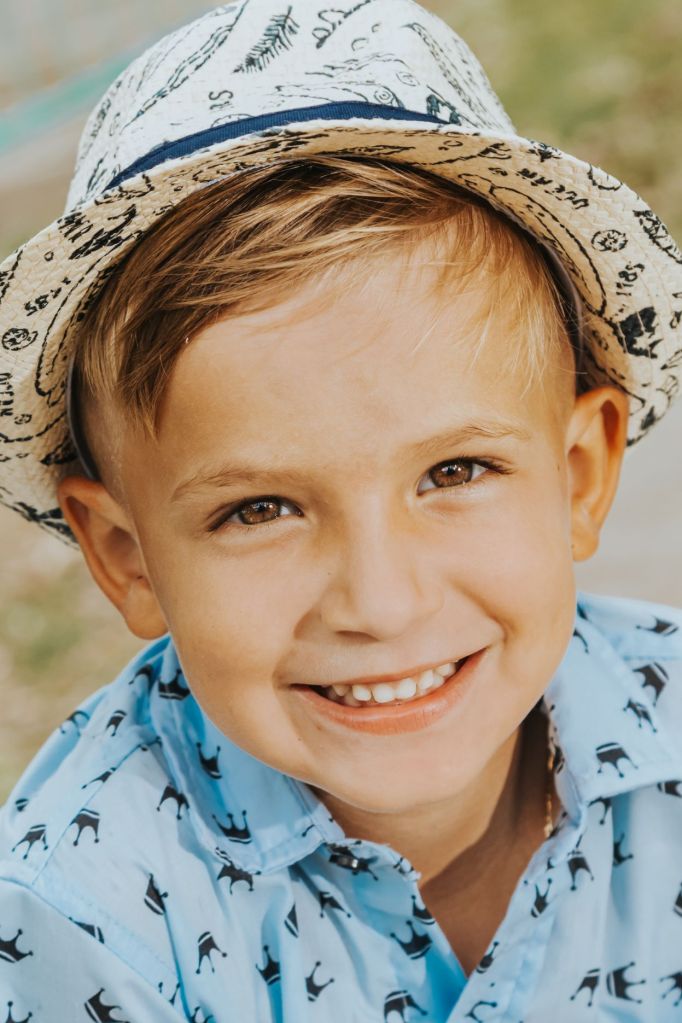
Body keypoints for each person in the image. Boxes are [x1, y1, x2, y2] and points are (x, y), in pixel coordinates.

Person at [1, 1, 681, 1020]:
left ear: (579, 474)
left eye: (454, 472)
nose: (380, 601)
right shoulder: (81, 925)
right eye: (260, 509)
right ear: (126, 556)